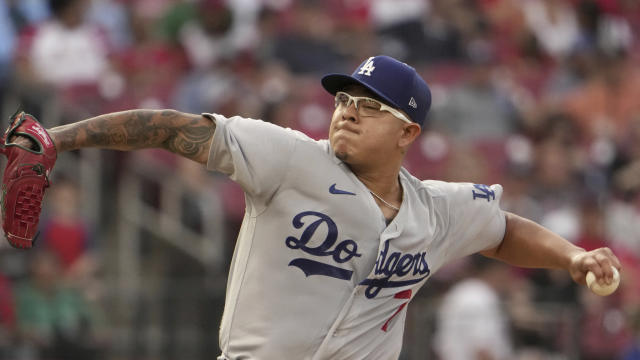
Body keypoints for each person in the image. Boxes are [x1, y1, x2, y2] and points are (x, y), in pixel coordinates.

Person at [18, 55, 621, 359]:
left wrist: (571, 258)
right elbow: (176, 128)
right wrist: (62, 139)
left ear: (409, 133)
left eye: (370, 104)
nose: (348, 109)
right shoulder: (290, 158)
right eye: (344, 98)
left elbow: (501, 228)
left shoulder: (436, 212)